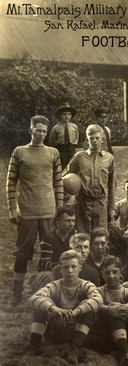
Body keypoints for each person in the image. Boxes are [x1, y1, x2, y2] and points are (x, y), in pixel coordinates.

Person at [7, 115, 64, 306]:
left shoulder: (53, 152)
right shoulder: (19, 152)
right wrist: (12, 209)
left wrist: (60, 208)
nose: (41, 134)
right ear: (30, 130)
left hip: (49, 212)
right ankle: (16, 295)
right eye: (37, 130)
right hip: (27, 212)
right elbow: (11, 182)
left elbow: (58, 183)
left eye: (44, 131)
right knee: (23, 253)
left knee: (50, 254)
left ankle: (51, 293)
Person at [29, 250, 103, 362]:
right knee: (43, 302)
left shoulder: (85, 285)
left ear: (80, 267)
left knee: (89, 306)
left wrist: (77, 311)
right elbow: (33, 298)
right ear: (61, 269)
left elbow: (98, 299)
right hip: (56, 329)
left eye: (74, 267)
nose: (70, 271)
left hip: (78, 332)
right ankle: (34, 345)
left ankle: (74, 350)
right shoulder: (55, 285)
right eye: (66, 267)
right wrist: (54, 309)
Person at [63, 124, 115, 235]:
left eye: (97, 138)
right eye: (91, 138)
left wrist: (111, 208)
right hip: (83, 204)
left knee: (100, 237)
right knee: (83, 237)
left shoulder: (109, 158)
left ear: (102, 138)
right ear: (87, 139)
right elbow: (64, 177)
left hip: (101, 204)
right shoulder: (79, 157)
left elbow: (112, 185)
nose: (94, 141)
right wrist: (67, 196)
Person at [29, 206, 76, 292]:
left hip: (66, 270)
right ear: (57, 221)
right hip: (49, 273)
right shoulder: (49, 238)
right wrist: (66, 265)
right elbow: (45, 264)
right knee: (50, 277)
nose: (71, 224)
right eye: (67, 220)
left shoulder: (73, 236)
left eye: (73, 220)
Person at [49, 102, 79, 169]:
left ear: (71, 116)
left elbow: (77, 138)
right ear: (60, 115)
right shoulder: (56, 128)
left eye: (68, 114)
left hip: (71, 151)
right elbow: (52, 142)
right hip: (61, 152)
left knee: (72, 168)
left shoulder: (74, 127)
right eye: (64, 114)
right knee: (61, 168)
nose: (66, 116)